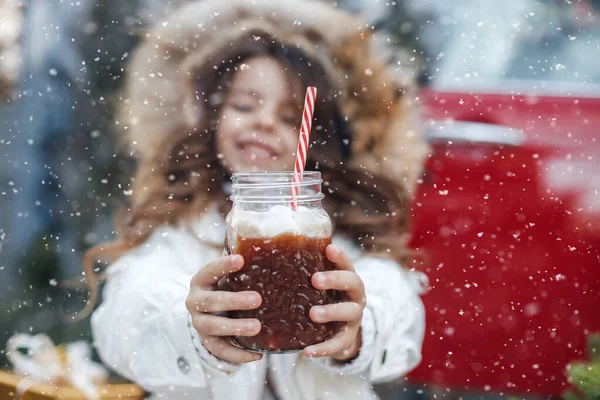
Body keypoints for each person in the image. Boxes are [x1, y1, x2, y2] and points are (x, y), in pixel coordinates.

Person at [85, 0, 429, 398]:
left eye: (289, 117)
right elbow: (124, 318)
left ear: (316, 139)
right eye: (244, 104)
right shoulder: (181, 226)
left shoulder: (337, 229)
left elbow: (399, 309)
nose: (264, 121)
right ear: (211, 118)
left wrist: (360, 329)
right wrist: (188, 327)